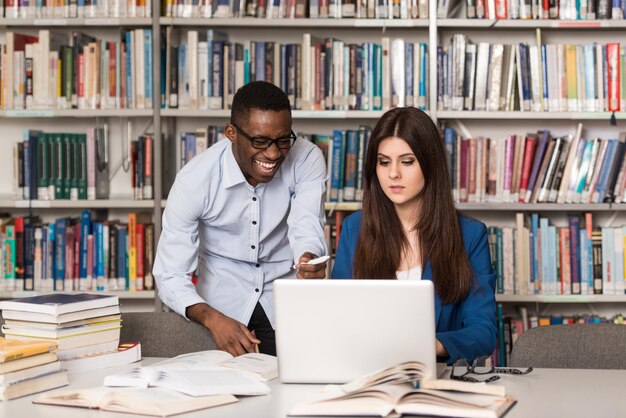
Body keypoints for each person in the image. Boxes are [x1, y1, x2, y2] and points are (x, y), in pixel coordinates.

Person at [153, 81, 328, 357]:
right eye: (260, 142)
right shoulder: (195, 181)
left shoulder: (307, 158)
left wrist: (309, 257)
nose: (273, 153)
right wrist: (212, 319)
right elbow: (170, 275)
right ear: (231, 133)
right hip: (220, 306)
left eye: (283, 140)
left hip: (283, 297)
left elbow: (306, 222)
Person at [331, 107, 496, 364]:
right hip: (365, 374)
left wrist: (434, 345)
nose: (393, 173)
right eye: (383, 162)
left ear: (430, 163)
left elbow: (484, 332)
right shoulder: (355, 228)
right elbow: (337, 318)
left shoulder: (470, 236)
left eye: (407, 162)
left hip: (434, 381)